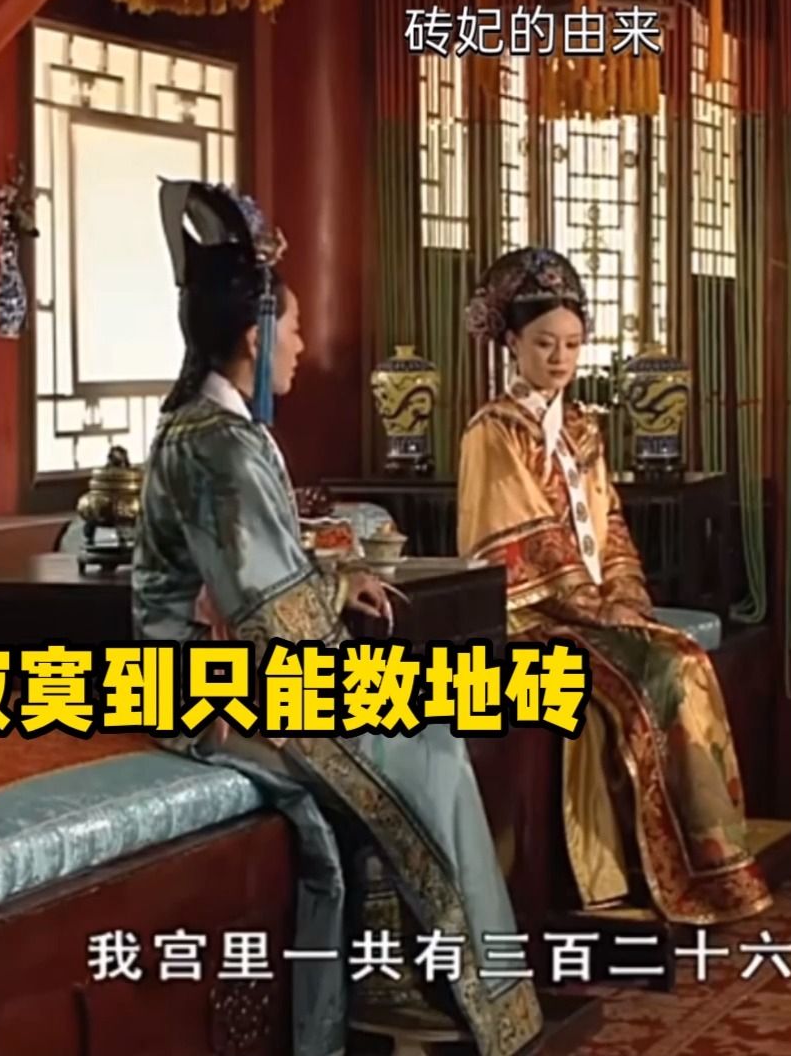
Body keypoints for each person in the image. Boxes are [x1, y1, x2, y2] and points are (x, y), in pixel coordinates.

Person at [132, 182, 542, 1056]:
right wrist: (325, 597)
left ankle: (400, 975)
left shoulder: (217, 430)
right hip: (211, 689)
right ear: (254, 337)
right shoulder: (216, 443)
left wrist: (333, 576)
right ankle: (473, 999)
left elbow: (261, 574)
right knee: (428, 747)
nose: (302, 344)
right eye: (292, 328)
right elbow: (267, 609)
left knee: (422, 724)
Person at [456, 247, 772, 927]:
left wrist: (625, 594)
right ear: (513, 343)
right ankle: (680, 863)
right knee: (665, 669)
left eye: (572, 344)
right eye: (545, 343)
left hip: (595, 609)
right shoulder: (492, 430)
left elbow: (612, 525)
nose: (560, 358)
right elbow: (514, 539)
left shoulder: (581, 427)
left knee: (685, 660)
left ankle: (711, 858)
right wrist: (593, 606)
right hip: (535, 615)